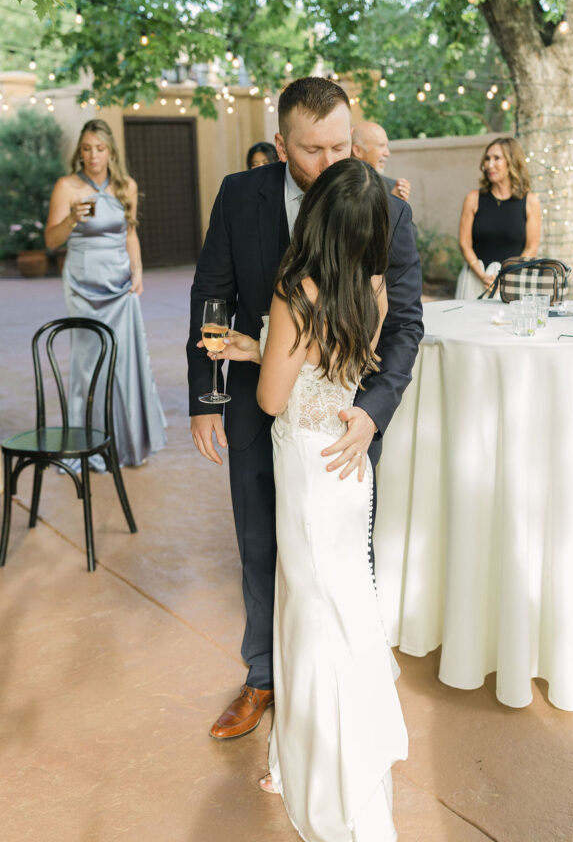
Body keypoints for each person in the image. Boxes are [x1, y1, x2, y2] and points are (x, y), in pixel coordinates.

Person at [187, 77, 423, 744]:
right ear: (282, 142)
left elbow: (404, 325)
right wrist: (205, 397)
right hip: (255, 407)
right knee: (260, 544)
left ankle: (342, 687)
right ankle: (264, 676)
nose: (329, 163)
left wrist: (372, 412)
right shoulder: (240, 195)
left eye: (340, 147)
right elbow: (211, 295)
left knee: (339, 556)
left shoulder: (386, 206)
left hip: (340, 421)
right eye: (312, 149)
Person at [212, 159, 408, 839]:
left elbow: (273, 398)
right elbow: (332, 370)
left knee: (308, 615)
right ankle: (304, 751)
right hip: (346, 469)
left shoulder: (296, 292)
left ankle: (319, 763)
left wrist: (267, 351)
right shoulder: (372, 288)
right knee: (344, 605)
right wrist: (261, 346)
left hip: (304, 468)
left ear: (317, 217)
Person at [45, 119, 166, 468]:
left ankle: (128, 444)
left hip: (120, 286)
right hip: (83, 287)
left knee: (124, 360)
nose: (93, 155)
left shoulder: (126, 186)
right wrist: (70, 219)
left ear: (111, 151)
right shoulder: (67, 186)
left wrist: (137, 271)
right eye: (86, 148)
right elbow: (51, 241)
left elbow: (130, 233)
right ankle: (88, 446)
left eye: (99, 148)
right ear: (79, 152)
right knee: (89, 362)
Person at [456, 136, 541, 298]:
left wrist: (507, 277)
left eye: (496, 158)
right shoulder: (473, 198)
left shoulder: (530, 201)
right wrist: (482, 275)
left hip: (513, 282)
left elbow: (531, 248)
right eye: (487, 159)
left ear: (512, 162)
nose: (489, 164)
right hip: (475, 279)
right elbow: (465, 244)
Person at [351, 119, 411, 201]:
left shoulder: (392, 186)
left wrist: (400, 204)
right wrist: (393, 203)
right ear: (358, 150)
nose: (387, 153)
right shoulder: (339, 186)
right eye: (381, 146)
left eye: (386, 146)